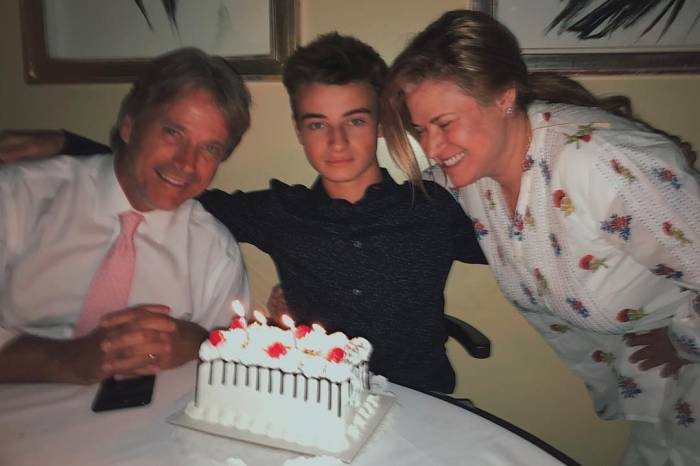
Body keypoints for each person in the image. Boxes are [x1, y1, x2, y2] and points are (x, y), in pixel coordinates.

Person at [0, 33, 487, 393]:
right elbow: (173, 181)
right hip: (318, 401)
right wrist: (70, 146)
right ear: (298, 130)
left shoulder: (433, 208)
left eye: (355, 121)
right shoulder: (280, 212)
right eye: (318, 124)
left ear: (379, 122)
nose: (337, 142)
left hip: (424, 402)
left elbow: (504, 248)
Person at [380, 9, 700, 466]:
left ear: (504, 97)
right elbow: (390, 211)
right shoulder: (471, 177)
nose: (431, 147)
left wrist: (683, 339)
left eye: (444, 124)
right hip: (649, 382)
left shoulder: (604, 167)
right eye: (420, 130)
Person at [0, 47, 251, 385]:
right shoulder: (18, 198)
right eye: (173, 132)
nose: (186, 163)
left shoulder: (215, 249)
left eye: (210, 148)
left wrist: (197, 342)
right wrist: (66, 360)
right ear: (129, 126)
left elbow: (233, 368)